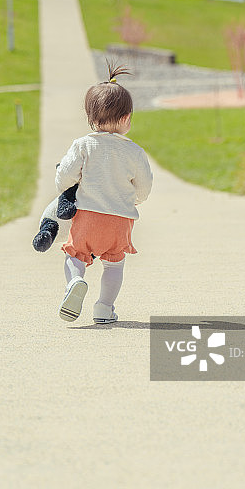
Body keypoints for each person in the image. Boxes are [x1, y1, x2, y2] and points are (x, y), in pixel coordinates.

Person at [55, 62, 153, 324]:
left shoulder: (84, 145)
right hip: (119, 221)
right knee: (113, 264)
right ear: (127, 118)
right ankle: (104, 307)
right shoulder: (135, 152)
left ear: (92, 119)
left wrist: (64, 188)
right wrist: (135, 200)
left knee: (74, 254)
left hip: (88, 217)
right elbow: (144, 186)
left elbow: (66, 175)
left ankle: (75, 282)